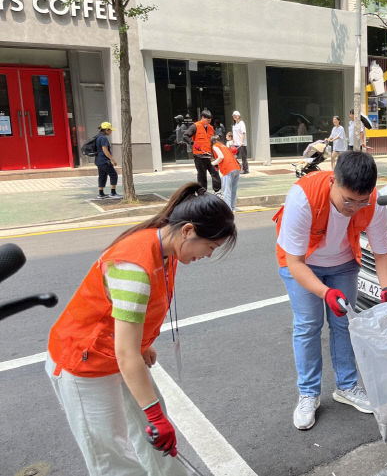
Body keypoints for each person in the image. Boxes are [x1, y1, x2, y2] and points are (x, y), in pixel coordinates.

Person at [45, 183, 236, 476]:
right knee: (110, 456)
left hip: (118, 351)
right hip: (84, 361)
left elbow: (131, 315)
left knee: (158, 437)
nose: (209, 255)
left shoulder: (166, 248)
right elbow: (125, 352)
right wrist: (155, 413)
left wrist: (143, 342)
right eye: (210, 247)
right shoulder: (134, 265)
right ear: (187, 231)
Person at [273, 151, 387, 430]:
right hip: (302, 263)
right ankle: (308, 393)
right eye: (348, 200)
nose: (354, 208)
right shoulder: (303, 197)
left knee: (345, 323)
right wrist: (325, 292)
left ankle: (347, 386)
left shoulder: (374, 203)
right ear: (334, 179)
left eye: (361, 201)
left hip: (343, 263)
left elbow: (382, 253)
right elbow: (294, 262)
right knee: (308, 325)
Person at [183, 110, 221, 193]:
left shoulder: (211, 128)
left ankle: (217, 192)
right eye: (207, 120)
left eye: (210, 120)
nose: (208, 122)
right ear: (203, 118)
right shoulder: (195, 126)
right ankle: (202, 193)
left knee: (215, 174)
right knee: (202, 176)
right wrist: (193, 143)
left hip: (211, 156)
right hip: (199, 156)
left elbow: (213, 141)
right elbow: (185, 136)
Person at [211, 135, 240, 211]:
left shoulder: (215, 146)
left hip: (228, 169)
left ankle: (228, 209)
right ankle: (233, 207)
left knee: (226, 191)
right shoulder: (224, 146)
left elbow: (221, 157)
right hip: (236, 168)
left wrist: (213, 163)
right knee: (233, 190)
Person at [95, 121, 121, 199]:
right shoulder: (103, 138)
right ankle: (113, 193)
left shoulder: (98, 137)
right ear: (107, 130)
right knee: (113, 174)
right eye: (110, 130)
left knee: (102, 176)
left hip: (98, 160)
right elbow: (105, 150)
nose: (111, 131)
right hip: (104, 160)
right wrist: (112, 160)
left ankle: (101, 194)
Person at [232, 110, 249, 175]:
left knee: (243, 157)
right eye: (233, 116)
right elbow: (234, 134)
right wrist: (233, 141)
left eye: (235, 115)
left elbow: (243, 133)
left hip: (241, 144)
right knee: (233, 157)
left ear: (238, 116)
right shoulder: (235, 124)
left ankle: (245, 170)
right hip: (236, 144)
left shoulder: (241, 123)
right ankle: (239, 167)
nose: (234, 117)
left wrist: (242, 142)